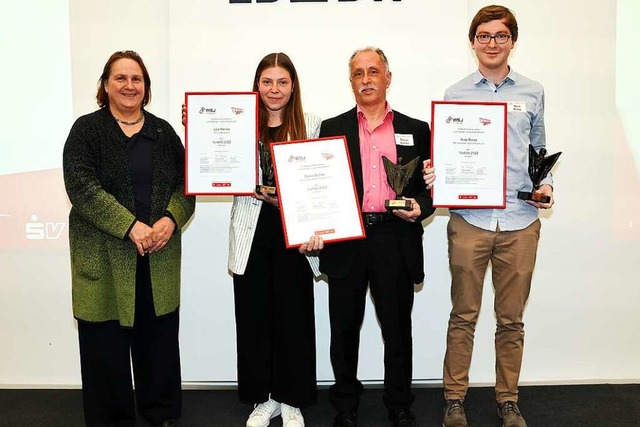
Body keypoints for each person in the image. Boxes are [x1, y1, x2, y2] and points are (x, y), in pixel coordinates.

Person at [423, 6, 554, 427]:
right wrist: (435, 174)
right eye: (484, 36)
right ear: (472, 41)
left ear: (513, 40)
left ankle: (508, 399)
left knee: (511, 319)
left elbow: (539, 153)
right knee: (463, 315)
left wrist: (547, 185)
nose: (492, 43)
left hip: (520, 221)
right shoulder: (456, 93)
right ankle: (455, 398)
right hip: (469, 220)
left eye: (500, 36)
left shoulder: (533, 91)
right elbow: (445, 153)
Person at [181, 52, 322, 427]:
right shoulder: (239, 122)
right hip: (251, 230)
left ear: (293, 86)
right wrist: (198, 129)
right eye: (267, 81)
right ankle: (264, 399)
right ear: (256, 85)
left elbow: (319, 181)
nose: (274, 90)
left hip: (294, 234)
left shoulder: (312, 124)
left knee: (294, 318)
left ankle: (291, 400)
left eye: (282, 82)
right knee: (254, 318)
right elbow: (210, 161)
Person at [63, 50, 196, 427]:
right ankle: (111, 419)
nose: (129, 85)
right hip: (104, 259)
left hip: (158, 257)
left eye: (136, 79)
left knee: (159, 343)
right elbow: (81, 187)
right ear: (105, 85)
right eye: (120, 78)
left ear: (146, 87)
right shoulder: (87, 130)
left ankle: (162, 413)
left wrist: (171, 219)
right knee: (104, 345)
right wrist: (130, 225)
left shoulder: (163, 132)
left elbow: (187, 184)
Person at [318, 47, 434, 427]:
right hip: (347, 238)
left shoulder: (416, 129)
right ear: (350, 81)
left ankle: (400, 404)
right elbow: (319, 188)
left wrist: (420, 205)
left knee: (397, 329)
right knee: (344, 328)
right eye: (357, 73)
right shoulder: (332, 128)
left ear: (388, 76)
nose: (366, 79)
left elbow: (430, 188)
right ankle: (345, 406)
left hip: (393, 238)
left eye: (373, 71)